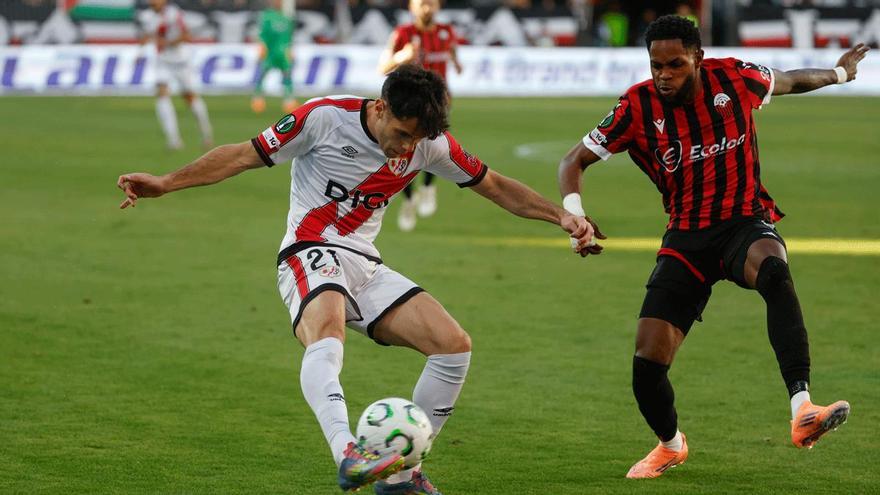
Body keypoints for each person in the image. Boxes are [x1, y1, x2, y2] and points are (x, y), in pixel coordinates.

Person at [117, 65, 594, 494]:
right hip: (308, 250)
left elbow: (493, 184)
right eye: (402, 134)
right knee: (327, 331)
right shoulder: (323, 118)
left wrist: (561, 218)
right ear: (381, 107)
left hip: (364, 264)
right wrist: (165, 183)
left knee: (454, 345)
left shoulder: (428, 143)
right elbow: (241, 156)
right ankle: (348, 452)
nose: (407, 149)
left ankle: (401, 478)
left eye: (416, 140)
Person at [557, 15, 868, 479]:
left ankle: (802, 409)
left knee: (775, 272)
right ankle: (670, 445)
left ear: (697, 58)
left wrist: (840, 73)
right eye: (656, 65)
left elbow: (791, 80)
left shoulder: (734, 77)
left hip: (743, 223)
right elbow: (573, 160)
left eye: (675, 64)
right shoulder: (637, 106)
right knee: (647, 364)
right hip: (686, 237)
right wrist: (574, 212)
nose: (664, 75)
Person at [378, 0, 462, 232]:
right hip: (406, 106)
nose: (427, 8)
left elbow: (453, 51)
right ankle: (407, 200)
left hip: (437, 103)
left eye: (431, 3)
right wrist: (401, 57)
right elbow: (382, 67)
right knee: (403, 151)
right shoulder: (402, 34)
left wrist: (456, 61)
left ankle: (427, 188)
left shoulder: (446, 32)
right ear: (412, 7)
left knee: (434, 146)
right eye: (422, 3)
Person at [139, 0, 213, 150]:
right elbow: (147, 36)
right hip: (163, 61)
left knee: (190, 98)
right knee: (161, 93)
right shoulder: (146, 16)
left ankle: (206, 134)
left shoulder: (174, 14)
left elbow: (186, 36)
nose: (152, 3)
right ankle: (173, 140)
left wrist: (166, 42)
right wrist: (140, 50)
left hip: (181, 62)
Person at [251, 0, 299, 115]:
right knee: (262, 75)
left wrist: (290, 49)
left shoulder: (286, 17)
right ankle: (258, 99)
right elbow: (262, 35)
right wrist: (262, 47)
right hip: (270, 53)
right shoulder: (267, 17)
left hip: (283, 53)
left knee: (287, 76)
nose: (278, 3)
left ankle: (289, 101)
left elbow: (289, 36)